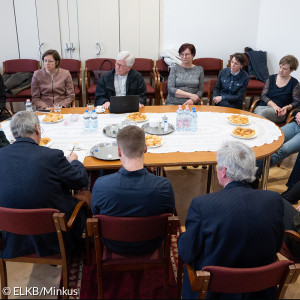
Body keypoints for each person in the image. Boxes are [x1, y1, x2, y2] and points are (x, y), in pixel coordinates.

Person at [178, 141, 284, 299]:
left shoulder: (202, 205)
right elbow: (276, 246)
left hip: (215, 291)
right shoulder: (274, 200)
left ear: (224, 171)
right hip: (260, 290)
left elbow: (187, 253)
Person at [0, 111, 90, 258]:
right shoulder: (52, 156)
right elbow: (80, 181)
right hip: (55, 236)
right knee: (85, 196)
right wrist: (74, 161)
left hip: (14, 239)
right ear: (37, 128)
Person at [91, 125, 175, 254]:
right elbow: (169, 212)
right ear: (145, 148)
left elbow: (95, 213)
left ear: (118, 152)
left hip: (113, 243)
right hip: (151, 243)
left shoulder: (101, 185)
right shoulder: (164, 186)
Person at [256, 106, 300, 181]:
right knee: (272, 138)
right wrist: (298, 113)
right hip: (295, 125)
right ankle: (255, 167)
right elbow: (296, 110)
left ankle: (256, 171)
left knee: (283, 149)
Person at [254, 55, 300, 123]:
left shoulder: (294, 83)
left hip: (279, 112)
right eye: (280, 67)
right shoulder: (271, 78)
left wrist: (287, 107)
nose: (281, 70)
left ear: (292, 70)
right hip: (263, 106)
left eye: (285, 69)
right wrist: (274, 106)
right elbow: (263, 96)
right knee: (260, 114)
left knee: (261, 115)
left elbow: (297, 102)